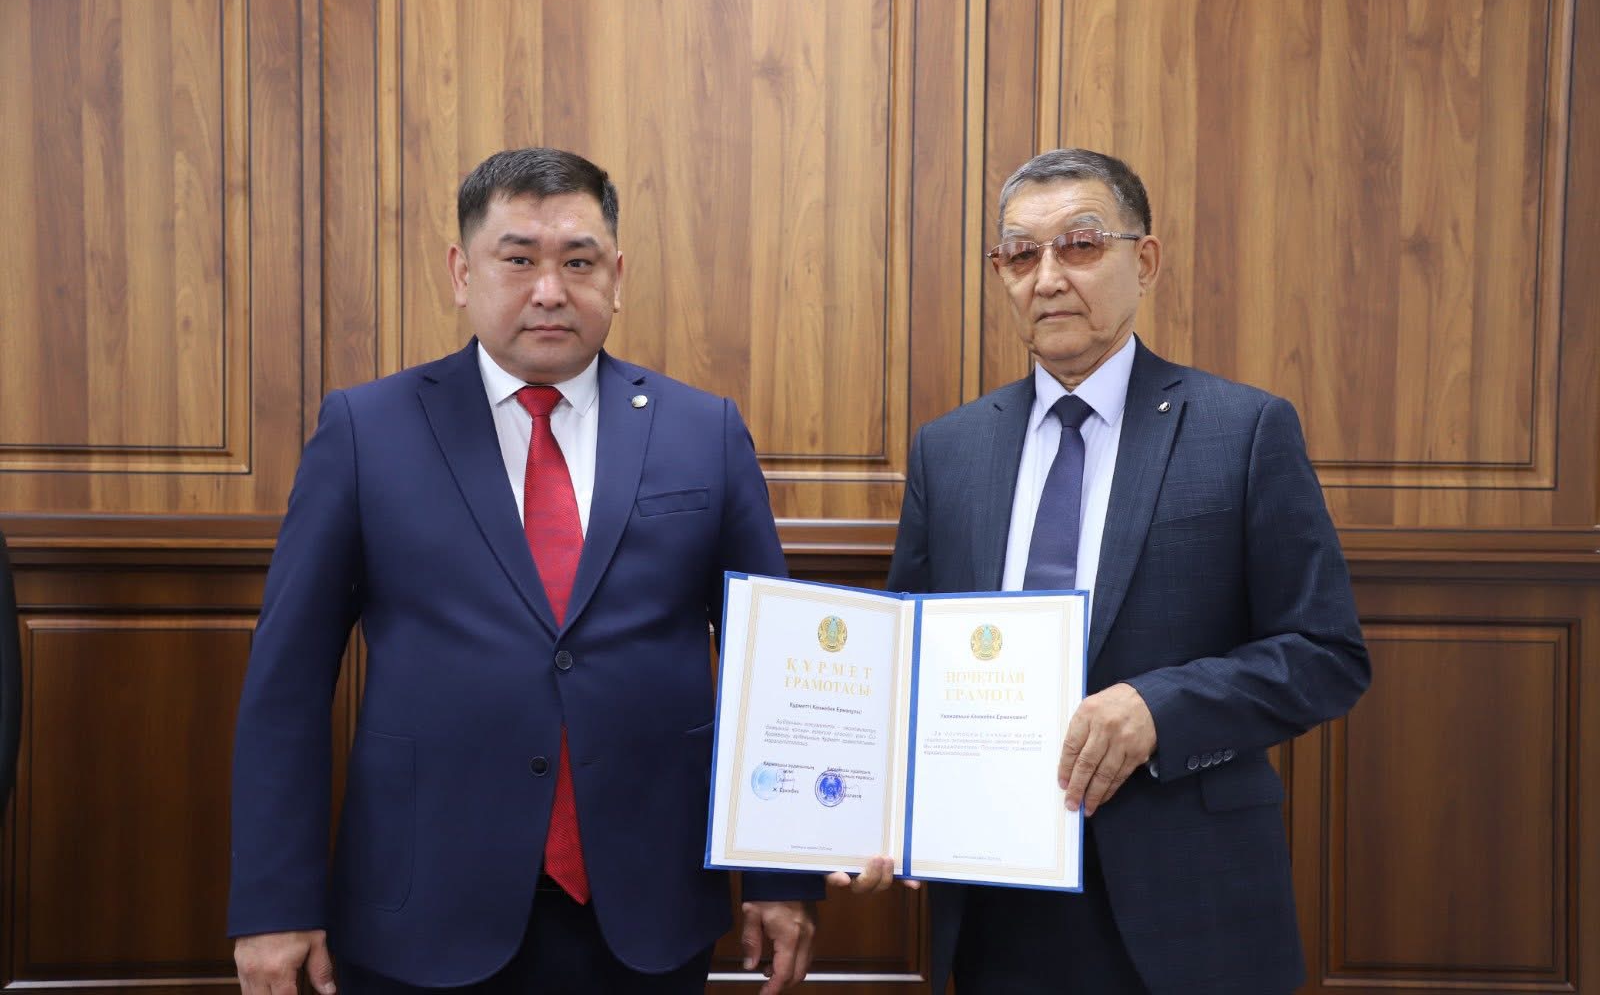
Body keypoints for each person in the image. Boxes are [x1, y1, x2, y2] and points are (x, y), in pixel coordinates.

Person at [229, 147, 830, 994]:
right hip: (422, 910)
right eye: (518, 260)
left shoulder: (705, 432)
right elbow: (286, 684)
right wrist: (273, 903)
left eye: (579, 262)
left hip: (645, 913)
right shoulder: (367, 431)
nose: (550, 290)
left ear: (617, 276)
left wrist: (781, 875)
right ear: (461, 272)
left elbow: (774, 674)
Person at [885, 148, 1370, 994]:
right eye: (1020, 254)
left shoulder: (1244, 430)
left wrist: (1160, 707)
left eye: (1079, 244)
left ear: (1143, 261)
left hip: (1190, 899)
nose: (1047, 279)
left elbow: (1326, 654)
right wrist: (875, 806)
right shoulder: (948, 449)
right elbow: (905, 661)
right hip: (998, 898)